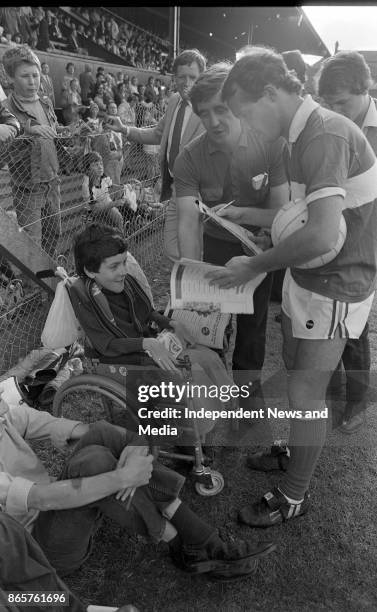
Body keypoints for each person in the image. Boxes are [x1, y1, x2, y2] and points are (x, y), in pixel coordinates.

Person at [206, 47, 377, 527]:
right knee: (299, 374)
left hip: (337, 284)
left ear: (270, 93)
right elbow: (301, 219)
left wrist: (254, 265)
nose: (245, 125)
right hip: (310, 275)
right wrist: (249, 217)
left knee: (306, 390)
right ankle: (293, 448)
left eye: (243, 112)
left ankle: (293, 496)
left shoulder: (323, 133)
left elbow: (322, 234)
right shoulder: (299, 133)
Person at [0, 369, 275, 582]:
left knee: (102, 436)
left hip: (61, 517)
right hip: (35, 551)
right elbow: (40, 499)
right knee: (94, 462)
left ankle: (200, 543)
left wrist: (132, 446)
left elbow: (83, 429)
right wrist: (123, 478)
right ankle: (184, 541)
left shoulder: (6, 415)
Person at [174, 63, 288, 411]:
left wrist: (268, 240)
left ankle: (247, 402)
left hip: (258, 251)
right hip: (215, 247)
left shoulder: (270, 143)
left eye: (221, 110)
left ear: (237, 105)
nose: (212, 122)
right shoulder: (189, 158)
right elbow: (188, 223)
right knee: (210, 327)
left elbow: (281, 208)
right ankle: (213, 401)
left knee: (252, 330)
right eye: (203, 113)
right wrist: (194, 276)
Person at [317, 50, 377, 434]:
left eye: (343, 102)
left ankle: (358, 399)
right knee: (330, 316)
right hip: (335, 234)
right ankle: (334, 385)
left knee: (357, 323)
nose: (336, 110)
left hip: (367, 240)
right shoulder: (333, 125)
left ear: (365, 88)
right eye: (330, 103)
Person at [106, 49, 206, 205]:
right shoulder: (174, 100)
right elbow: (158, 134)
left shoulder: (208, 108)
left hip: (195, 191)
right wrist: (125, 129)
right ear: (174, 79)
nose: (187, 83)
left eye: (193, 77)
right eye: (182, 77)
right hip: (169, 181)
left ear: (201, 78)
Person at [3, 45, 64, 256]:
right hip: (28, 187)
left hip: (52, 181)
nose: (32, 81)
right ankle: (33, 286)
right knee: (32, 242)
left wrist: (71, 130)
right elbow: (6, 142)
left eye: (35, 75)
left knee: (54, 232)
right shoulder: (6, 108)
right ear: (10, 78)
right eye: (25, 76)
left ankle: (48, 279)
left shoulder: (46, 103)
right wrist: (29, 130)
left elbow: (53, 131)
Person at [81, 151, 124, 229]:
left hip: (108, 204)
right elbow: (95, 209)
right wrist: (114, 204)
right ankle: (119, 236)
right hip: (95, 212)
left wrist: (123, 187)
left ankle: (120, 235)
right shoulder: (87, 186)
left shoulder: (102, 176)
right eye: (95, 165)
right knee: (117, 217)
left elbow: (111, 185)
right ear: (88, 169)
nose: (100, 167)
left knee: (120, 214)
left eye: (101, 164)